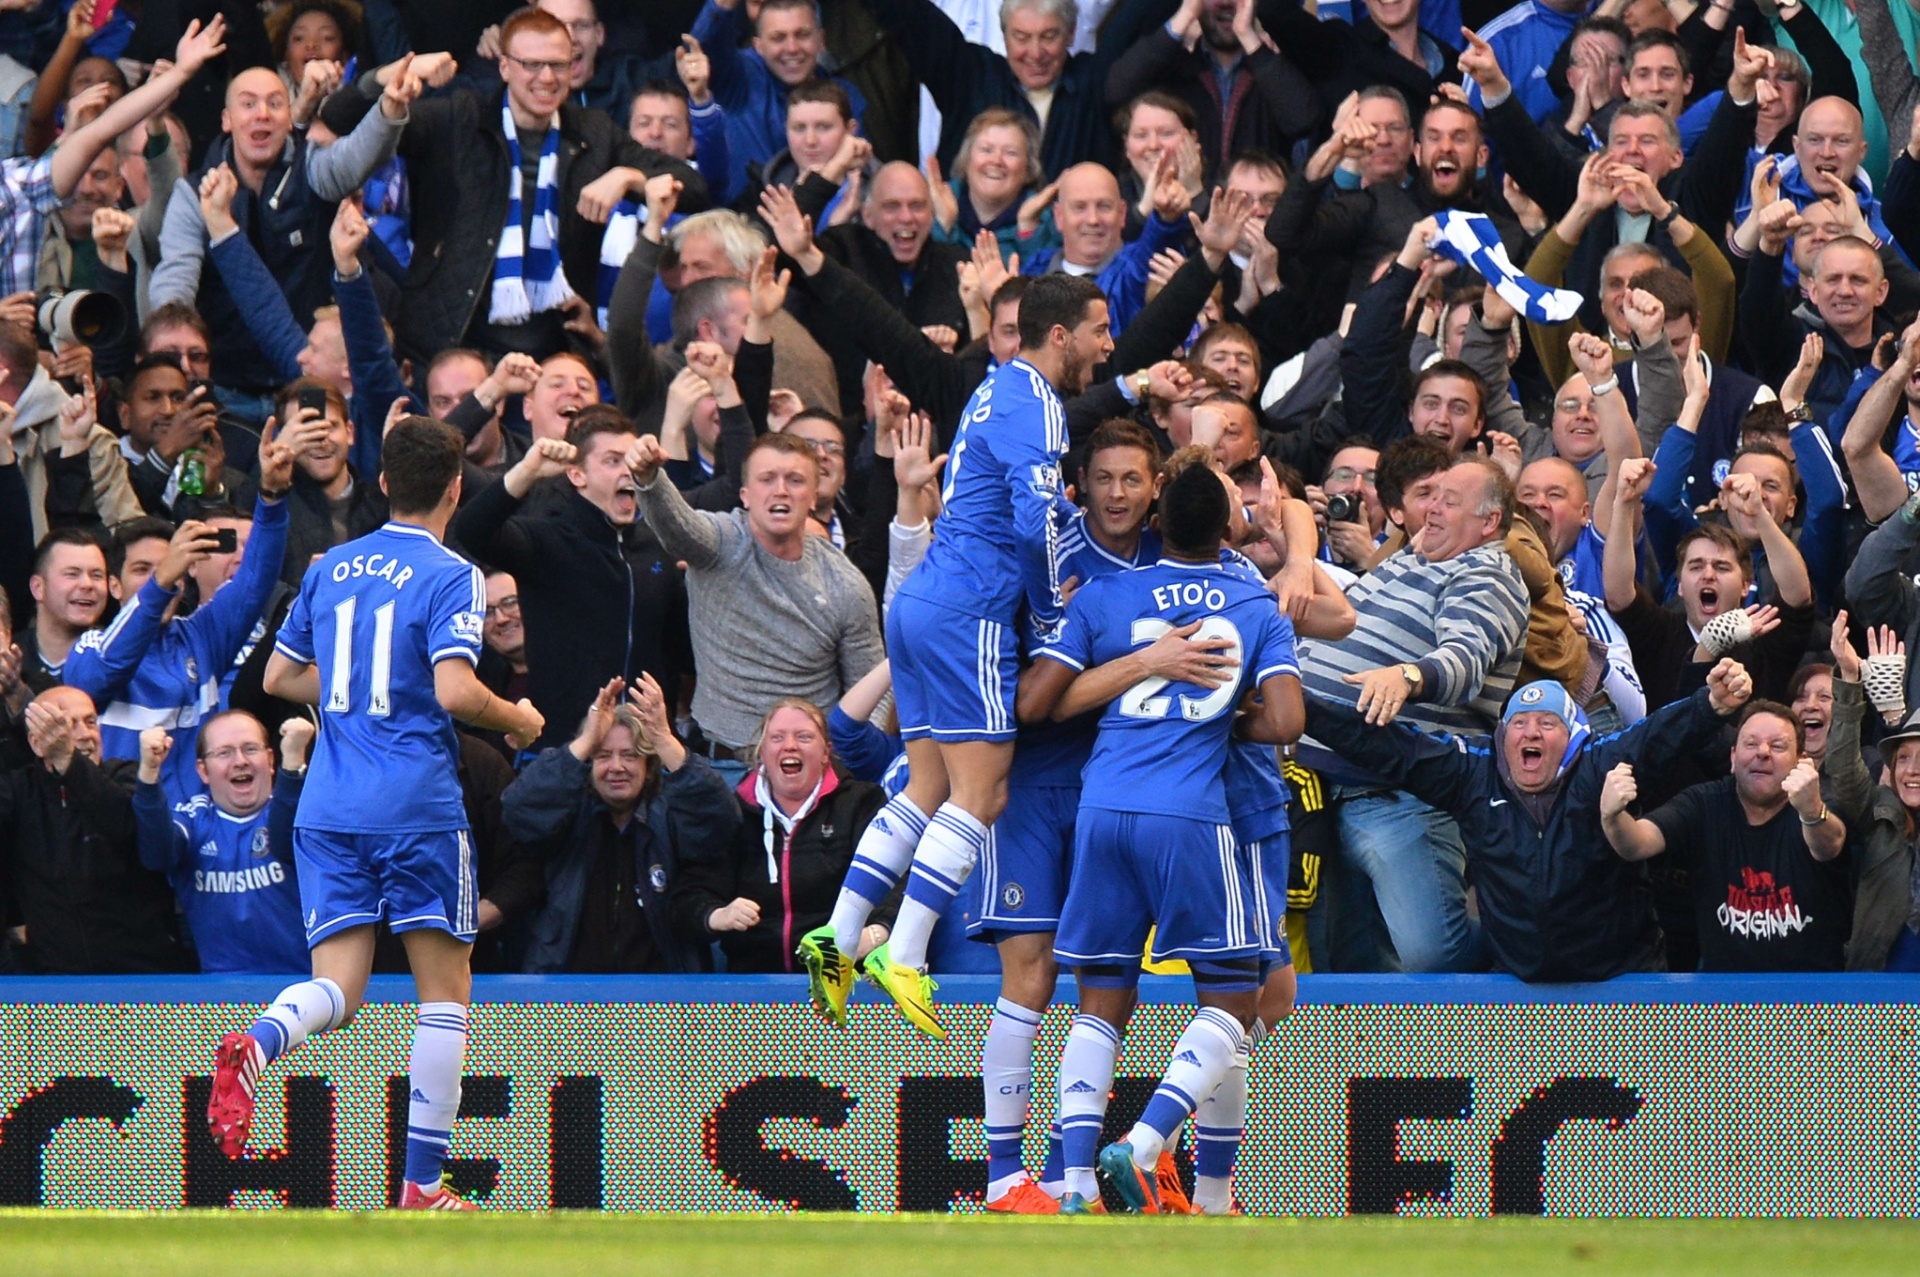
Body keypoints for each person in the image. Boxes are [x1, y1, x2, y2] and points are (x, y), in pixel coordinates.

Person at [208, 417, 543, 1211]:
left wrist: (355, 691)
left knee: (340, 987)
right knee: (444, 991)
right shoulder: (454, 572)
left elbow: (282, 674)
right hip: (415, 804)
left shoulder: (330, 569)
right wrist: (521, 722)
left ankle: (258, 1041)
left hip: (327, 803)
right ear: (456, 489)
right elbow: (459, 691)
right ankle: (422, 1183)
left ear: (385, 481)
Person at [799, 273, 1111, 1039]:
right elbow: (1036, 523)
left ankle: (838, 938)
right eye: (1101, 329)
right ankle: (902, 951)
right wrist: (1049, 613)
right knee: (984, 794)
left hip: (919, 600)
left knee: (929, 786)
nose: (1109, 345)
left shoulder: (993, 388)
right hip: (969, 609)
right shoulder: (1037, 400)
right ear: (1061, 334)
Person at [1018, 460, 1304, 1213]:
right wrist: (1225, 712)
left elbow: (1038, 700)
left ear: (1155, 521)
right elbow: (1288, 721)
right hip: (1192, 815)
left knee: (1100, 1000)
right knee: (1236, 998)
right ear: (1227, 530)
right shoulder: (1255, 603)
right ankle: (1144, 1145)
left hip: (1102, 805)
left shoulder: (1108, 594)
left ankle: (1074, 1183)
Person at [1305, 659, 1756, 981]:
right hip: (1519, 992)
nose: (1531, 733)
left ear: (1573, 736)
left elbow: (1658, 735)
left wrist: (1711, 705)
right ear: (1503, 737)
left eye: (1547, 723)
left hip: (1621, 983)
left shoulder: (1598, 766)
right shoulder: (1474, 776)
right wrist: (1302, 709)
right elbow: (1394, 749)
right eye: (1519, 723)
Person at [1297, 455, 1529, 974]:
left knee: (1432, 957)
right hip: (1318, 784)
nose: (1433, 509)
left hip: (1395, 793)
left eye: (1450, 501)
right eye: (1431, 496)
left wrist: (1407, 676)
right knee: (1343, 961)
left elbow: (1465, 658)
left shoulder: (1488, 571)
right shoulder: (1414, 558)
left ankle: (1536, 948)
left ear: (1489, 522)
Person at [628, 428, 884, 773]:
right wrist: (649, 479)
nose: (780, 490)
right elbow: (678, 528)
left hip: (813, 773)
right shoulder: (721, 543)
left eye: (795, 480)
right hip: (723, 765)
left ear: (813, 497)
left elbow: (872, 691)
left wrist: (850, 770)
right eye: (767, 479)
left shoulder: (846, 584)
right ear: (745, 495)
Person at [64, 430, 296, 796]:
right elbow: (101, 675)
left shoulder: (200, 636)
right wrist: (160, 581)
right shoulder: (88, 647)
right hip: (127, 823)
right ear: (114, 586)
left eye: (170, 568)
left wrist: (271, 496)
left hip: (198, 829)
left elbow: (254, 580)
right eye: (142, 570)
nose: (163, 577)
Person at [451, 406, 690, 752]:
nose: (628, 470)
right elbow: (473, 530)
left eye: (633, 460)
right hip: (564, 752)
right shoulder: (546, 541)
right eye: (612, 461)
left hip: (645, 755)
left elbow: (681, 652)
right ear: (577, 475)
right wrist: (529, 470)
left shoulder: (657, 550)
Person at [503, 675, 739, 973]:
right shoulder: (567, 809)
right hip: (565, 993)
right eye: (603, 756)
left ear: (648, 767)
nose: (616, 767)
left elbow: (720, 822)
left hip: (662, 993)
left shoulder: (670, 814)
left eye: (630, 755)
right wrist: (586, 740)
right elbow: (518, 809)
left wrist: (664, 739)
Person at [1600, 698, 1850, 972]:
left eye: (1778, 746)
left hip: (1816, 997)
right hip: (1723, 1000)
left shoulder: (1818, 802)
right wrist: (1612, 816)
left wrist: (1812, 811)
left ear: (1803, 763)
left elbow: (1829, 844)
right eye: (1751, 744)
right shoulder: (1705, 803)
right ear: (1733, 758)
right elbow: (1636, 844)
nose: (1763, 752)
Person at [670, 697, 888, 972]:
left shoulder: (862, 803)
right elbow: (688, 896)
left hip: (843, 986)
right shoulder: (734, 812)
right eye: (777, 737)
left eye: (804, 736)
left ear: (826, 752)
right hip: (755, 991)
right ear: (762, 753)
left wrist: (875, 934)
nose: (790, 745)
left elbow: (897, 885)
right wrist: (717, 915)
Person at [0, 684, 183, 973]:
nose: (85, 734)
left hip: (144, 980)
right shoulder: (19, 792)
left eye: (90, 721)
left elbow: (125, 827)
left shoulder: (127, 774)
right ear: (37, 743)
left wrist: (67, 761)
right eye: (67, 725)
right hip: (56, 989)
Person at [132, 713, 311, 975]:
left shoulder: (295, 810)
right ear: (203, 770)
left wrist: (293, 764)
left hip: (305, 989)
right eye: (224, 753)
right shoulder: (193, 818)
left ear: (271, 760)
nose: (240, 761)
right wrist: (148, 774)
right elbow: (158, 855)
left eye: (251, 749)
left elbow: (289, 840)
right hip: (222, 999)